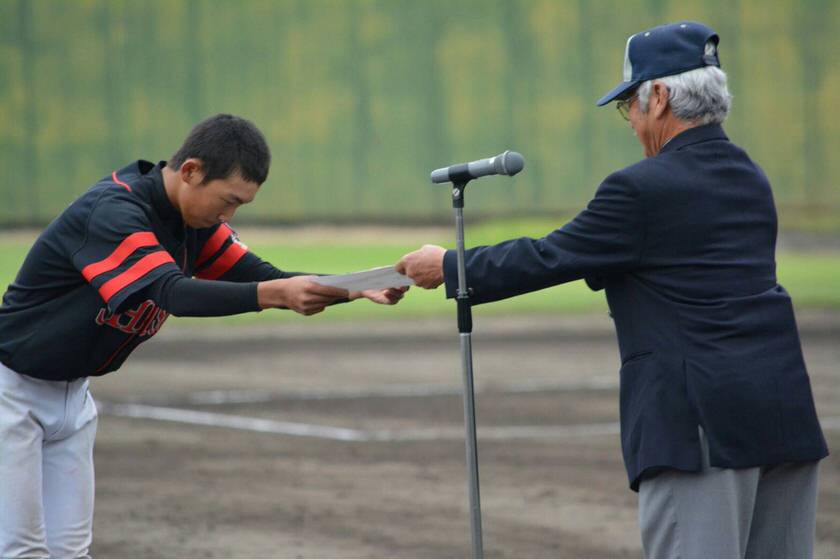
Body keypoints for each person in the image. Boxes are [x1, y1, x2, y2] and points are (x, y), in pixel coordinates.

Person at [397, 21, 828, 559]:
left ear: (662, 97)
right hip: (782, 413)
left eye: (631, 106)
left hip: (700, 426)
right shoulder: (751, 177)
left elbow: (549, 256)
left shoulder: (641, 189)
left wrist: (451, 265)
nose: (631, 122)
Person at [0, 113, 406, 558]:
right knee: (22, 551)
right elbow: (171, 293)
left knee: (71, 552)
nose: (229, 215)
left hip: (73, 399)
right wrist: (274, 294)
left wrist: (356, 287)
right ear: (191, 171)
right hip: (12, 393)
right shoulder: (115, 211)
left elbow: (264, 276)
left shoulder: (192, 224)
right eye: (227, 200)